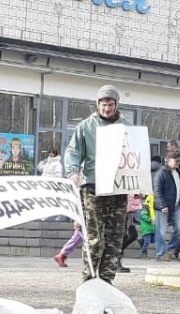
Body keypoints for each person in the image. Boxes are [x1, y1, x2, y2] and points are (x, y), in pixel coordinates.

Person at [64, 84, 128, 282]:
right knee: (94, 239)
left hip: (118, 189)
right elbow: (73, 152)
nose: (106, 109)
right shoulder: (86, 126)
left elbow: (135, 155)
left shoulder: (127, 126)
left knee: (115, 239)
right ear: (97, 105)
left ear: (116, 105)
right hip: (93, 186)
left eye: (110, 105)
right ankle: (89, 281)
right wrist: (73, 171)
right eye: (103, 105)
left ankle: (107, 282)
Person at [152, 151, 180, 261]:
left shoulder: (178, 172)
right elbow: (157, 191)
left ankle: (169, 250)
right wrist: (162, 205)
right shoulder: (161, 172)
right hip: (163, 206)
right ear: (168, 160)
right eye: (176, 161)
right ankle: (160, 253)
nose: (178, 163)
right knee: (161, 230)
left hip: (176, 206)